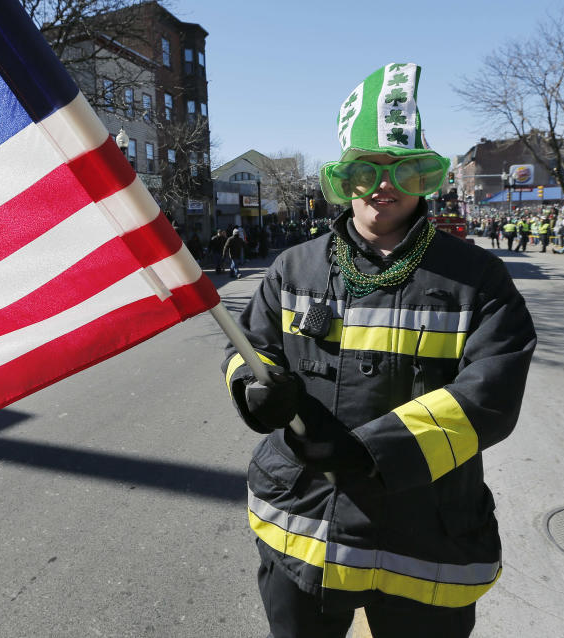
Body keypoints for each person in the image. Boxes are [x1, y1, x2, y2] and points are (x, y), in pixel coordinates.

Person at [222, 62, 536, 638]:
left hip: (425, 537)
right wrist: (254, 386)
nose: (382, 185)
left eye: (402, 169)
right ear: (346, 179)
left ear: (425, 177)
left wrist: (369, 453)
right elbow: (249, 349)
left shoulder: (480, 278)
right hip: (303, 529)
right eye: (366, 169)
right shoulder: (293, 267)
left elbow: (491, 397)